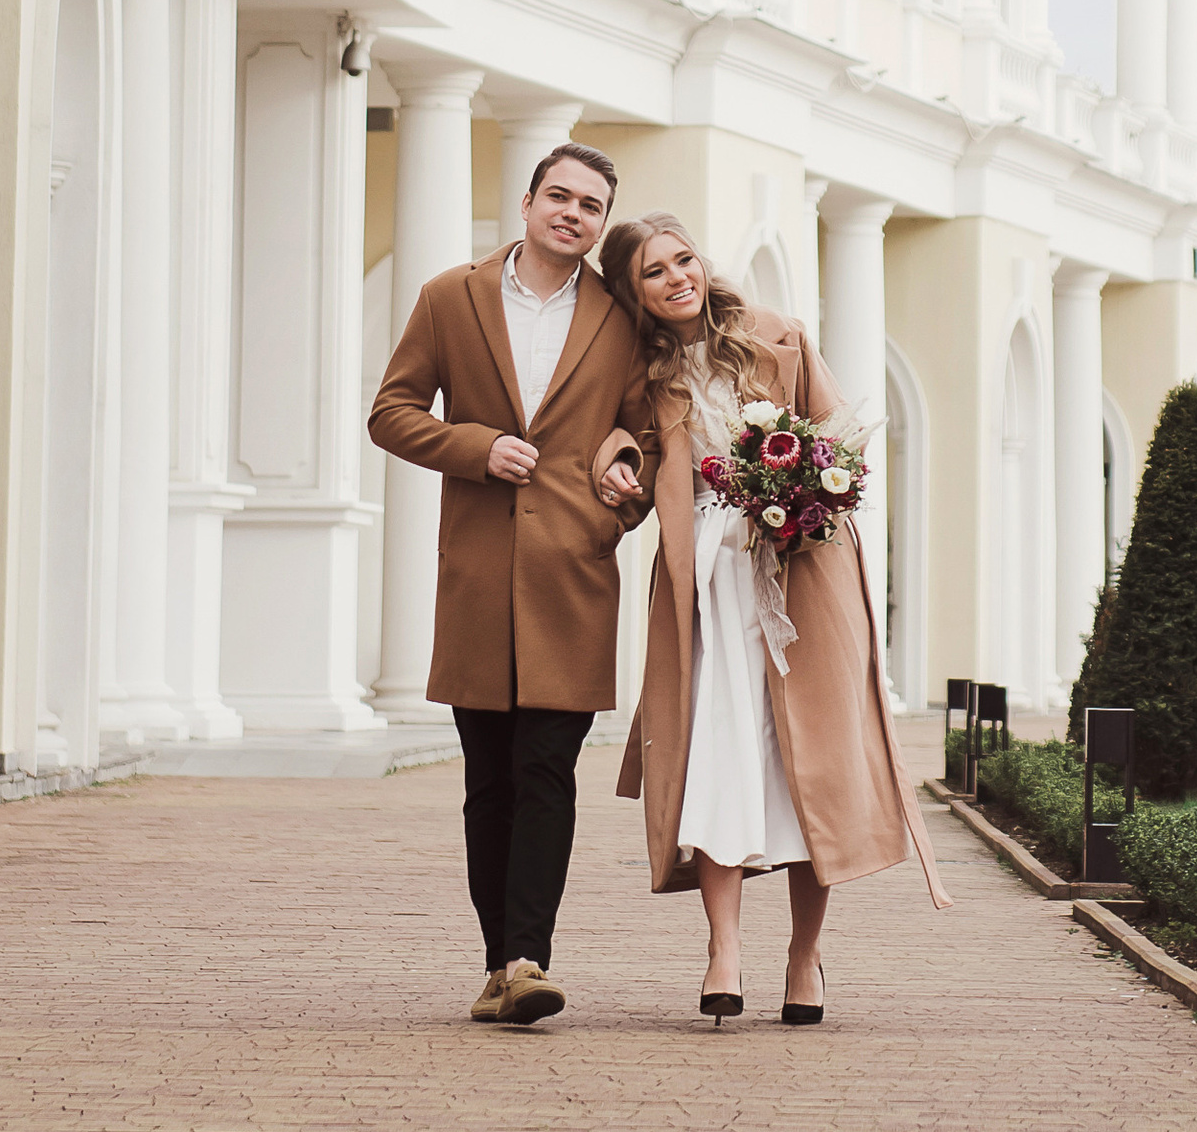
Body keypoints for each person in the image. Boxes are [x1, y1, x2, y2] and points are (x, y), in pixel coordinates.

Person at [597, 214, 946, 1025]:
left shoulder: (779, 335)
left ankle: (803, 955)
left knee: (807, 764)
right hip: (706, 585)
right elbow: (630, 456)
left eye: (683, 259)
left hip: (803, 571)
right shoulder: (641, 371)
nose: (677, 278)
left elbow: (843, 442)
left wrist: (804, 488)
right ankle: (722, 949)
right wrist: (615, 466)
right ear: (632, 291)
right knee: (717, 753)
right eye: (654, 271)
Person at [367, 142, 647, 1026]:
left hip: (574, 577)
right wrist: (476, 447)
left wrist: (622, 492)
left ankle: (527, 958)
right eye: (559, 196)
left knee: (547, 771)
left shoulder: (622, 317)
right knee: (488, 781)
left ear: (602, 224)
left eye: (591, 205)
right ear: (526, 203)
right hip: (480, 579)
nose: (573, 213)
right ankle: (501, 965)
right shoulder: (449, 297)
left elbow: (645, 436)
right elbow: (391, 412)